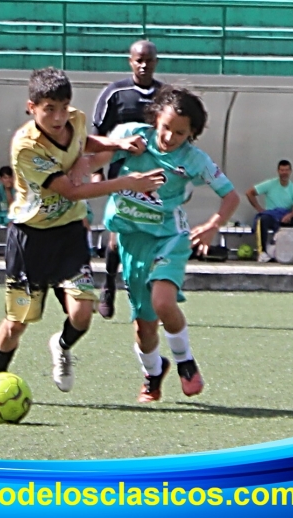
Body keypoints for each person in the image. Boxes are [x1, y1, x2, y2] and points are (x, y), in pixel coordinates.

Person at [0, 67, 165, 405]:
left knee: (82, 314)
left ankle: (61, 346)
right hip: (30, 239)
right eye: (49, 109)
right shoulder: (25, 147)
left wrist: (115, 143)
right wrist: (128, 183)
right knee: (17, 323)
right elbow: (71, 191)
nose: (59, 117)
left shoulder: (74, 119)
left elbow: (82, 142)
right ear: (31, 107)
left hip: (70, 235)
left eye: (63, 107)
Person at [94, 85, 240, 403]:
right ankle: (153, 371)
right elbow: (96, 160)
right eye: (166, 128)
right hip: (132, 240)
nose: (170, 137)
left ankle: (186, 362)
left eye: (180, 133)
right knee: (144, 330)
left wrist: (213, 225)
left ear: (191, 134)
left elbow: (230, 196)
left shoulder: (194, 160)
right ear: (154, 118)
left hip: (169, 236)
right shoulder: (131, 135)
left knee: (163, 302)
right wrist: (105, 153)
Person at [92, 40, 163, 320]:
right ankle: (109, 282)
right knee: (118, 233)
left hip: (154, 174)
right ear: (130, 61)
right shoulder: (115, 93)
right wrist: (96, 172)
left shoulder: (163, 94)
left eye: (149, 60)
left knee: (151, 231)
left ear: (156, 62)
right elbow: (97, 131)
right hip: (121, 172)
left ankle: (145, 293)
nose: (144, 65)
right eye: (138, 60)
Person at [245, 159, 293, 263]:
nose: (284, 173)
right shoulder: (270, 184)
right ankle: (262, 252)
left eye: (286, 170)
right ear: (278, 171)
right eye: (282, 170)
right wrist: (259, 209)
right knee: (262, 219)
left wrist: (290, 215)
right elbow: (249, 193)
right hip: (271, 215)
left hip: (285, 216)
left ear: (290, 171)